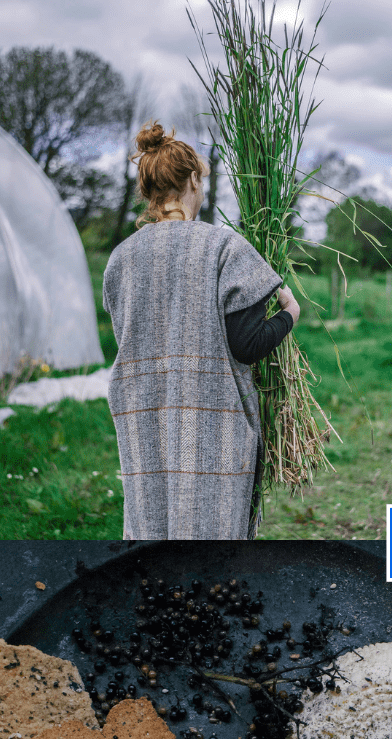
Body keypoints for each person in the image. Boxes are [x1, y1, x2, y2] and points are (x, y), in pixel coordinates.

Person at [103, 121, 301, 539]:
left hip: (142, 415)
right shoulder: (223, 247)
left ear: (150, 191)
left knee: (151, 527)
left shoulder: (120, 259)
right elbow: (246, 346)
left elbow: (126, 338)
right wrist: (290, 313)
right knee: (209, 533)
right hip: (209, 421)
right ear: (193, 179)